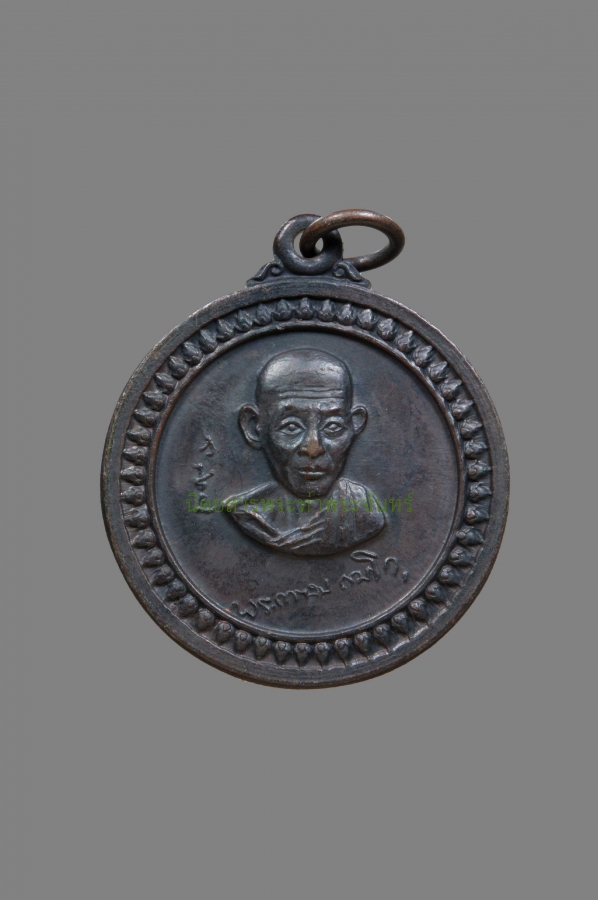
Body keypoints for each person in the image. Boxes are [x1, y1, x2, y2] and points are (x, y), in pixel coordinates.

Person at [225, 348, 386, 556]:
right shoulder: (248, 514)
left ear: (354, 425)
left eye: (333, 426)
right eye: (291, 427)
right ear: (254, 428)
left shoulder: (365, 513)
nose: (313, 449)